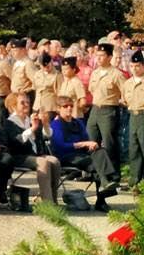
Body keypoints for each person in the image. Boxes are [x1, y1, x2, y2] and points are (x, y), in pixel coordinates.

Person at [50, 95, 120, 211]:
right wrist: (83, 144)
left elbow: (86, 138)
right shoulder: (56, 124)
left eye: (71, 106)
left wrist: (92, 145)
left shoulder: (78, 123)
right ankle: (102, 198)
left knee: (100, 151)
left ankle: (104, 182)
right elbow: (60, 146)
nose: (69, 108)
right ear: (58, 108)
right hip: (66, 156)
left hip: (81, 154)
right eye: (65, 106)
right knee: (97, 163)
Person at [4, 92, 61, 203]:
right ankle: (47, 202)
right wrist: (32, 129)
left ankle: (53, 198)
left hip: (35, 154)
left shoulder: (30, 120)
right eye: (22, 103)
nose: (26, 105)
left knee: (54, 161)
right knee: (43, 162)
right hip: (18, 155)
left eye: (28, 102)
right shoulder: (9, 123)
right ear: (13, 106)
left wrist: (45, 124)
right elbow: (17, 140)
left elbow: (48, 135)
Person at [87, 43, 125, 174]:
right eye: (97, 55)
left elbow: (126, 92)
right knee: (91, 140)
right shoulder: (95, 73)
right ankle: (97, 172)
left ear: (109, 57)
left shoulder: (116, 74)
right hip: (95, 109)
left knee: (109, 143)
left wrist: (118, 101)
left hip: (109, 110)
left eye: (102, 56)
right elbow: (91, 90)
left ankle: (113, 174)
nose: (99, 58)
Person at [124, 51, 144, 188]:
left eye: (137, 66)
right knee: (134, 149)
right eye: (132, 66)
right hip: (133, 115)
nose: (134, 69)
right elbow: (125, 100)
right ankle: (135, 180)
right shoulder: (127, 83)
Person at [59, 56, 88, 120]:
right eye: (62, 69)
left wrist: (75, 109)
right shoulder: (64, 83)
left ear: (73, 69)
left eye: (66, 69)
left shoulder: (77, 82)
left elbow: (83, 102)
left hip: (75, 117)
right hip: (64, 117)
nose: (63, 71)